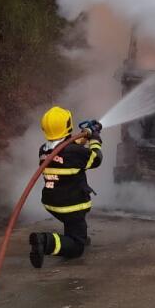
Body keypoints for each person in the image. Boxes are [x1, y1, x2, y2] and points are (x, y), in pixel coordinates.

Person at [29, 106, 103, 269]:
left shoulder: (44, 150)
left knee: (73, 227)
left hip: (52, 202)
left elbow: (66, 148)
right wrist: (95, 139)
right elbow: (96, 159)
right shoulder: (74, 152)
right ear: (68, 124)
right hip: (71, 205)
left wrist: (84, 137)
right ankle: (45, 241)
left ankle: (75, 236)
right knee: (77, 247)